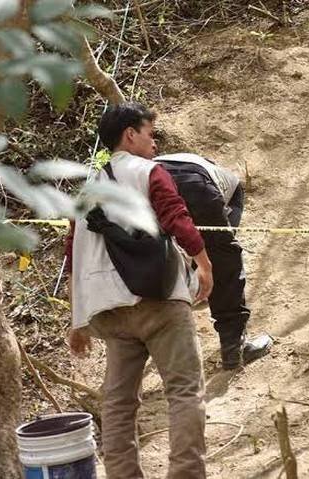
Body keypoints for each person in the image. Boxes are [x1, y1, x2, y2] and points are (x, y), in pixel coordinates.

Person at [65, 102, 213, 477]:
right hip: (158, 301)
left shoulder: (86, 191)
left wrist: (77, 320)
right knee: (184, 390)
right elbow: (176, 217)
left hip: (109, 311)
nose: (154, 142)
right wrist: (204, 263)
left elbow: (73, 254)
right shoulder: (149, 172)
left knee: (118, 402)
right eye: (149, 133)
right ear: (130, 135)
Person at [154, 152, 273, 370]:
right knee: (222, 255)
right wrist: (209, 261)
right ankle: (234, 347)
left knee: (154, 257)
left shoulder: (157, 163)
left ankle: (159, 347)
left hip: (146, 184)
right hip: (196, 185)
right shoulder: (229, 182)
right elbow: (216, 242)